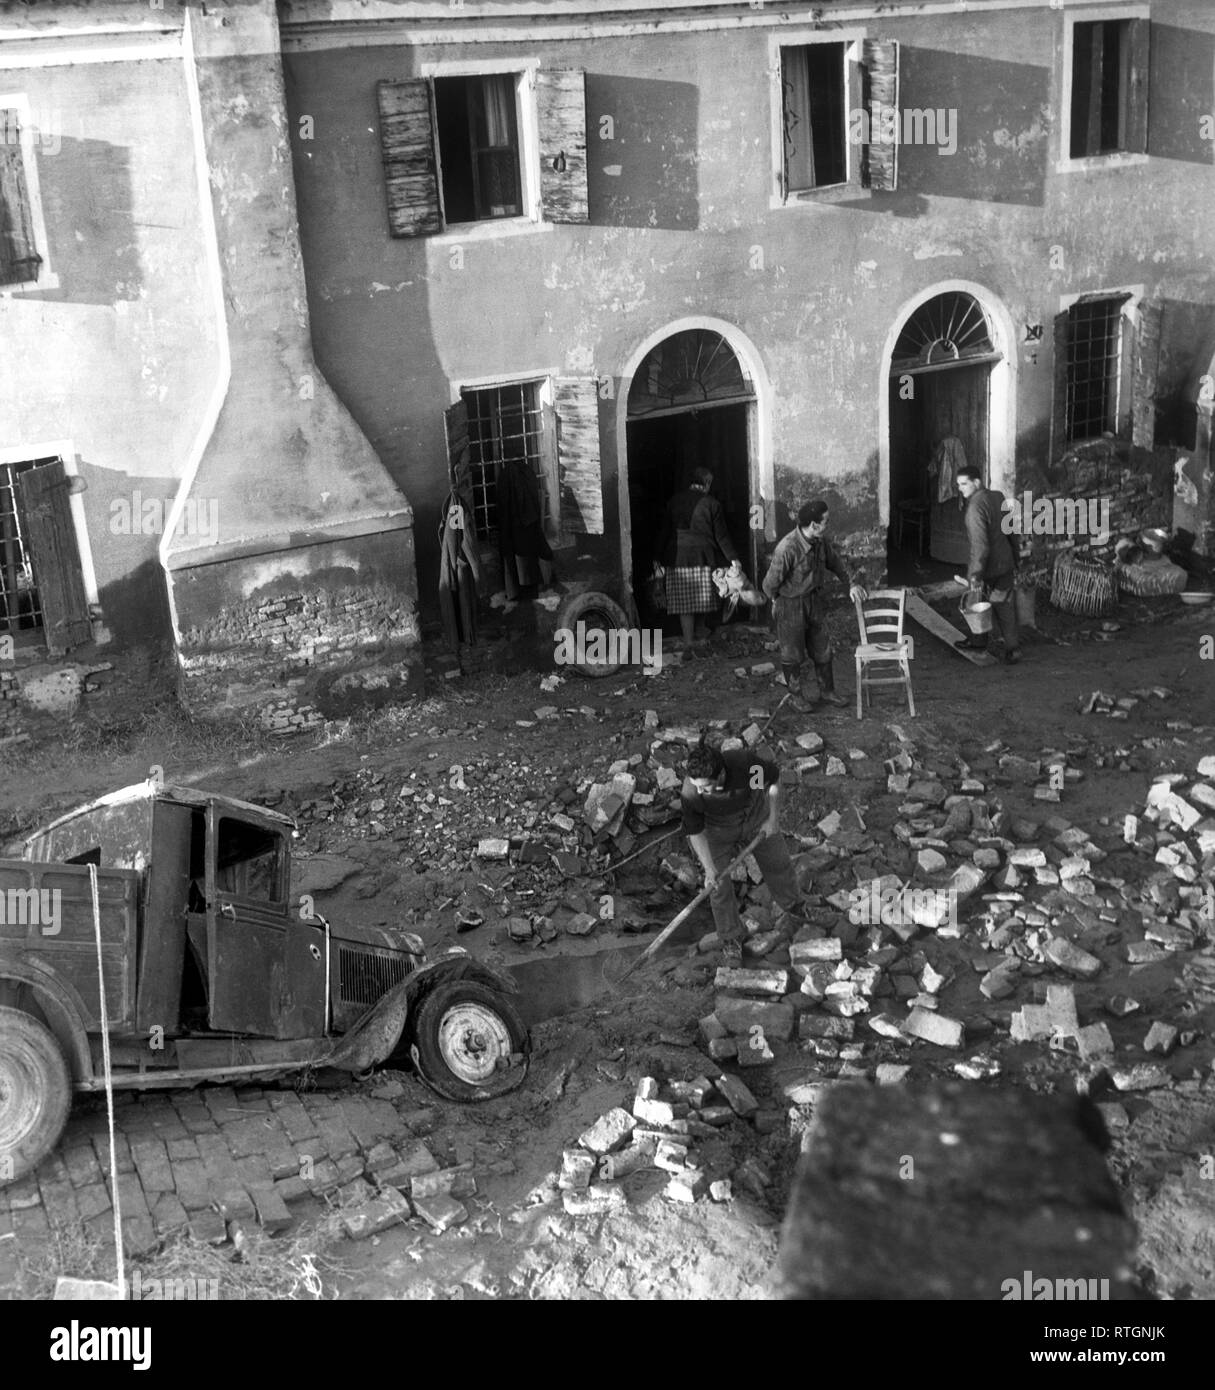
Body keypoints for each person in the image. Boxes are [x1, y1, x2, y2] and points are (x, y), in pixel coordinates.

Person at [681, 736, 804, 965]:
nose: (699, 790)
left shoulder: (745, 765)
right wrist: (709, 869)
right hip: (717, 830)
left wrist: (773, 820)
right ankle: (731, 938)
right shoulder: (691, 792)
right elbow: (695, 832)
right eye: (696, 785)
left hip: (755, 818)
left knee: (778, 863)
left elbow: (773, 782)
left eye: (705, 786)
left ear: (720, 775)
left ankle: (796, 909)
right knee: (718, 887)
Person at [762, 500, 866, 709]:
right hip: (791, 605)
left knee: (823, 649)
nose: (828, 524)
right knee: (792, 654)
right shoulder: (788, 548)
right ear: (814, 525)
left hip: (814, 601)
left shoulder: (820, 542)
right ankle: (795, 696)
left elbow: (837, 564)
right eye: (825, 521)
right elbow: (769, 584)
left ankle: (827, 692)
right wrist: (778, 603)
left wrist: (851, 584)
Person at [658, 466, 740, 653]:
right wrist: (733, 559)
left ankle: (688, 642)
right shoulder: (712, 504)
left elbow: (664, 532)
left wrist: (657, 557)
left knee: (684, 603)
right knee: (702, 597)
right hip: (703, 557)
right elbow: (721, 536)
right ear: (707, 483)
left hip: (678, 557)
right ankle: (701, 636)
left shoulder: (674, 501)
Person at [954, 465, 1021, 664]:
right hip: (1006, 561)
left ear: (977, 482)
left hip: (989, 567)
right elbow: (1011, 530)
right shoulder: (998, 496)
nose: (960, 488)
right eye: (958, 485)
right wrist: (1015, 558)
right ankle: (1013, 649)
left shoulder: (975, 509)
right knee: (1005, 606)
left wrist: (975, 575)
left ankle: (978, 642)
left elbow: (980, 547)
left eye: (964, 484)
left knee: (975, 603)